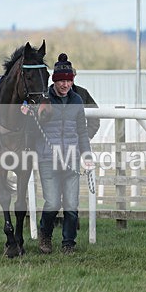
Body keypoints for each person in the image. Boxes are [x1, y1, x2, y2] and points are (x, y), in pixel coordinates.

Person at [30, 54, 93, 254]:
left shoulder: (76, 101)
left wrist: (87, 155)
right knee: (52, 203)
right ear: (54, 81)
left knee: (72, 205)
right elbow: (32, 127)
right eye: (61, 81)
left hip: (72, 160)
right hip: (48, 159)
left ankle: (68, 243)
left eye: (68, 80)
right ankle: (45, 235)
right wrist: (26, 114)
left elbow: (82, 131)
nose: (65, 84)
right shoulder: (44, 101)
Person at [54, 53, 100, 140]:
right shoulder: (47, 95)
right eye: (62, 79)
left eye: (69, 78)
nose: (66, 83)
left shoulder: (82, 93)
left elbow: (95, 116)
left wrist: (87, 137)